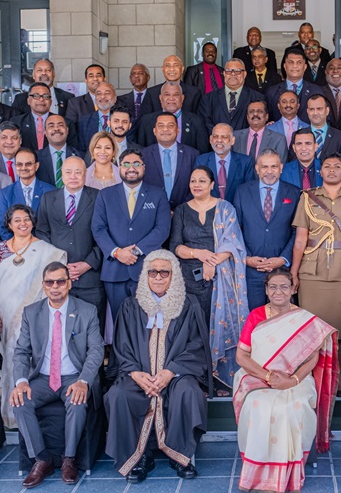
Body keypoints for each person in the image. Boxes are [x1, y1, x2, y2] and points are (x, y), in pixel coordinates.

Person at [104, 250, 210, 482]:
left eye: (165, 272)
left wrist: (170, 371)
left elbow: (196, 345)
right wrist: (135, 373)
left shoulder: (188, 304)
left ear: (174, 275)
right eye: (153, 272)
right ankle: (138, 457)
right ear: (146, 275)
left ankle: (181, 455)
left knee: (188, 392)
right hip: (138, 375)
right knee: (119, 394)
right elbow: (122, 345)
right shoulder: (131, 306)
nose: (159, 277)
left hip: (176, 376)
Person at [234, 269, 338, 493]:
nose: (278, 291)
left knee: (293, 406)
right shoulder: (256, 315)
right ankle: (259, 474)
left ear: (293, 289)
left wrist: (292, 380)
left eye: (283, 286)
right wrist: (269, 377)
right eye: (273, 286)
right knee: (259, 405)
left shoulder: (304, 319)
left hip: (296, 379)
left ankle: (286, 475)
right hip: (257, 375)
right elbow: (241, 357)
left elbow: (312, 358)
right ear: (266, 290)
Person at [11, 262, 104, 488]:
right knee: (19, 401)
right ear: (43, 285)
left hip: (73, 376)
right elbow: (21, 351)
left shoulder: (87, 310)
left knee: (77, 400)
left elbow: (96, 350)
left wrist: (83, 381)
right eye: (50, 282)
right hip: (42, 379)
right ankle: (42, 459)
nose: (55, 287)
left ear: (69, 283)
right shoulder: (32, 313)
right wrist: (21, 381)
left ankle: (69, 459)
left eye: (61, 281)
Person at [171, 166, 248, 391]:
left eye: (202, 181)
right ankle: (196, 379)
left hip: (219, 279)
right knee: (195, 329)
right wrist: (199, 254)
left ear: (212, 184)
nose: (197, 185)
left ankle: (219, 378)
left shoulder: (225, 208)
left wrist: (211, 262)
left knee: (216, 326)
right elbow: (175, 246)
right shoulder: (183, 210)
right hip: (189, 280)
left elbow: (234, 244)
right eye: (193, 181)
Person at [0, 204, 66, 426]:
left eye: (26, 219)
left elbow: (52, 283)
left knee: (30, 355)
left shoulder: (46, 250)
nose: (22, 223)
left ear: (33, 222)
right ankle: (10, 415)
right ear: (9, 224)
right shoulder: (1, 249)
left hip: (33, 313)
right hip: (5, 309)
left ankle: (30, 408)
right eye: (17, 220)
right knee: (8, 357)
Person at [291, 153, 341, 364]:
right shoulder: (307, 198)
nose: (332, 169)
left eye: (337, 166)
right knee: (312, 327)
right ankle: (315, 374)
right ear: (320, 171)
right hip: (312, 273)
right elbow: (300, 240)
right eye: (327, 166)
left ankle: (337, 377)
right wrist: (293, 274)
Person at [92, 148, 171, 320]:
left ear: (143, 167)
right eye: (126, 164)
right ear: (119, 168)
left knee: (146, 323)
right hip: (114, 271)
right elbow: (98, 228)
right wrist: (118, 252)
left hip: (147, 271)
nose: (131, 168)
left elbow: (162, 229)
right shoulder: (105, 195)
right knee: (119, 323)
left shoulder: (158, 194)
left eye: (136, 164)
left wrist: (135, 251)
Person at [36, 157, 108, 338]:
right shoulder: (48, 198)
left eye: (78, 172)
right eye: (68, 172)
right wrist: (60, 264)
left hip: (90, 279)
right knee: (60, 334)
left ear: (86, 174)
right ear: (62, 174)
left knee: (92, 335)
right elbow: (41, 232)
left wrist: (88, 263)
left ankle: (94, 368)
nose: (73, 176)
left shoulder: (100, 197)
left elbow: (106, 234)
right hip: (57, 280)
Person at [234, 150, 300, 309]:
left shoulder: (294, 192)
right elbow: (235, 229)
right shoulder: (242, 191)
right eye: (264, 167)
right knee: (252, 319)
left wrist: (283, 259)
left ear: (281, 168)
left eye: (274, 166)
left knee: (282, 322)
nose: (269, 171)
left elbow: (296, 232)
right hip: (251, 270)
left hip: (282, 271)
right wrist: (247, 258)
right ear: (257, 168)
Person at [140, 112, 199, 210]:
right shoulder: (142, 155)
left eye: (170, 125)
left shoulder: (192, 154)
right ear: (154, 131)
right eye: (161, 125)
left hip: (184, 212)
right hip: (151, 211)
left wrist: (180, 209)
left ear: (178, 130)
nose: (165, 129)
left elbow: (196, 186)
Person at [0, 147, 56, 240]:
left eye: (28, 164)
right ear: (15, 166)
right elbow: (3, 227)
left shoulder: (51, 191)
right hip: (16, 249)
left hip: (44, 247)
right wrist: (17, 248)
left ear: (36, 166)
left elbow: (54, 225)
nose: (23, 168)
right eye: (19, 164)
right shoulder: (6, 193)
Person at [137, 81, 209, 152]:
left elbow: (202, 153)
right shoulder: (146, 121)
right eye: (167, 95)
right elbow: (141, 151)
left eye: (176, 95)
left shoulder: (197, 121)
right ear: (160, 98)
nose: (171, 98)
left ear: (182, 98)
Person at [199, 58, 265, 133]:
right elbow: (205, 124)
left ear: (244, 74)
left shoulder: (257, 97)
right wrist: (222, 138)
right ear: (224, 74)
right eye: (229, 71)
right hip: (218, 143)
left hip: (245, 143)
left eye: (237, 71)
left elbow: (259, 124)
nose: (233, 74)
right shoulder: (208, 98)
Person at [195, 123, 255, 201]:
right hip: (208, 210)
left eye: (224, 137)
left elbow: (249, 191)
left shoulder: (245, 162)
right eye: (215, 137)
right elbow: (197, 189)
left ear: (232, 140)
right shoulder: (201, 161)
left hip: (236, 210)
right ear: (210, 139)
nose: (219, 140)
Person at [10, 82, 79, 151]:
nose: (41, 99)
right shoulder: (16, 122)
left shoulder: (66, 123)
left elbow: (73, 149)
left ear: (50, 101)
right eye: (36, 96)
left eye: (45, 96)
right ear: (28, 101)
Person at [266, 48, 323, 124]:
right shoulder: (271, 92)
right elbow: (267, 118)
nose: (295, 66)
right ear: (285, 66)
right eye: (291, 62)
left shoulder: (317, 91)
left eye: (299, 62)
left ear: (305, 67)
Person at [299, 93, 341, 169]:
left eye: (319, 109)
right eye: (311, 109)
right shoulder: (298, 136)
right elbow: (294, 164)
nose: (315, 113)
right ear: (307, 111)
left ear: (327, 110)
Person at [36, 114, 82, 188]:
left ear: (67, 130)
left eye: (60, 125)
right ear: (45, 132)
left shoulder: (80, 156)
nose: (56, 129)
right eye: (51, 126)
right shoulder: (36, 158)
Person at [76, 81, 117, 153]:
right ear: (95, 98)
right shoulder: (84, 122)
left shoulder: (125, 120)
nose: (103, 96)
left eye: (107, 93)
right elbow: (82, 150)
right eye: (99, 93)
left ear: (115, 97)